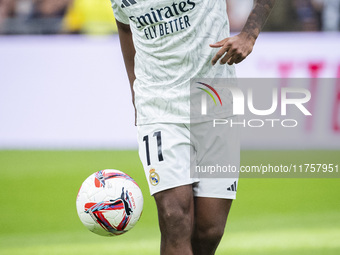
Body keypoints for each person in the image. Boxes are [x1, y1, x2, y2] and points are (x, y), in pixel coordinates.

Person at [111, 0, 275, 254]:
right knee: (175, 219)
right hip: (159, 108)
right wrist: (135, 89)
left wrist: (248, 35)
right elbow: (124, 26)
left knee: (209, 232)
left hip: (217, 104)